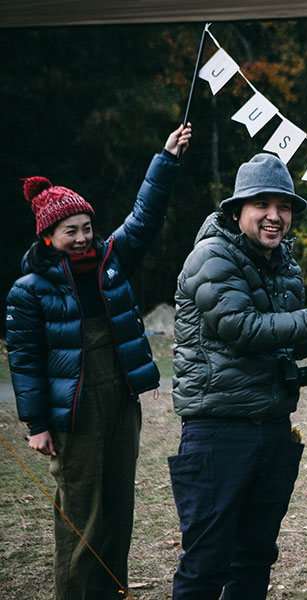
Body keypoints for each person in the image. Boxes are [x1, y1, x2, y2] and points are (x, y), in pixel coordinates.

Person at [168, 152, 307, 599]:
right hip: (218, 430)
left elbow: (286, 342)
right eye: (262, 205)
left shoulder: (283, 264)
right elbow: (243, 329)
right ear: (236, 209)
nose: (275, 216)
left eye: (283, 206)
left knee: (256, 555)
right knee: (207, 562)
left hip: (272, 429)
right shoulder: (211, 257)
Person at [5, 123, 192, 599]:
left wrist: (166, 160)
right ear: (49, 236)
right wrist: (36, 424)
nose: (84, 237)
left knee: (118, 512)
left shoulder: (112, 261)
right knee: (82, 519)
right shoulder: (30, 292)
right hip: (73, 414)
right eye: (71, 231)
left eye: (87, 227)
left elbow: (145, 217)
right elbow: (24, 362)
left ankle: (113, 593)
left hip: (120, 404)